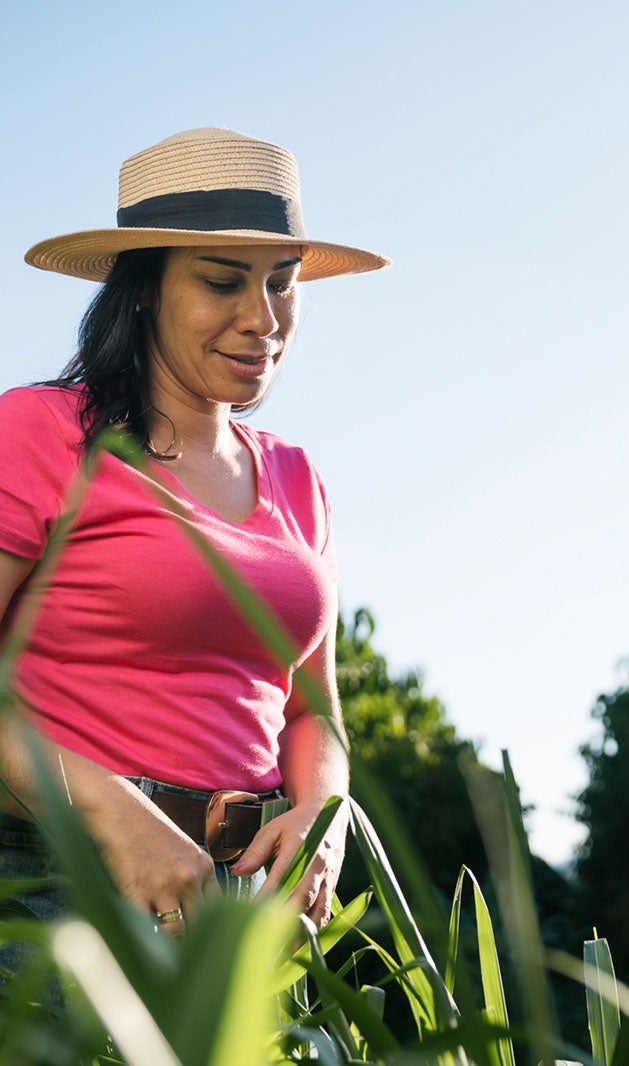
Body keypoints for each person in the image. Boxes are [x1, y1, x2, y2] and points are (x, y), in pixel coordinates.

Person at [0, 127, 389, 953]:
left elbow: (311, 709)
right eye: (222, 283)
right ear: (143, 289)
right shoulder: (36, 433)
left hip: (239, 896)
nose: (263, 319)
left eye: (283, 284)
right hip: (49, 880)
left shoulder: (297, 478)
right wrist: (112, 814)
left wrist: (322, 809)